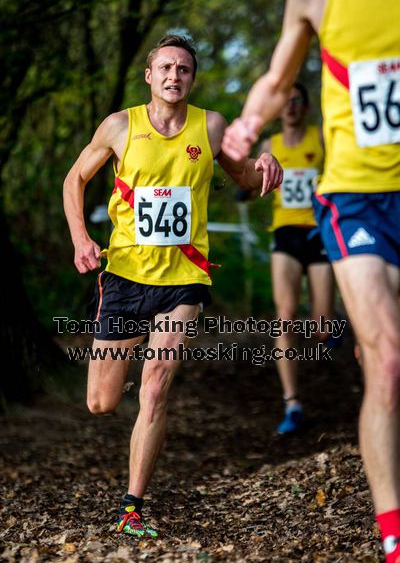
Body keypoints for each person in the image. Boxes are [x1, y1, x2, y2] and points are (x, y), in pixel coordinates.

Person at [63, 34, 282, 538]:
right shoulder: (121, 126)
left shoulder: (211, 126)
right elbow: (75, 178)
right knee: (101, 402)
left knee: (157, 381)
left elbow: (245, 177)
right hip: (124, 277)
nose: (173, 76)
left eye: (183, 69)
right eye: (165, 67)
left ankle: (132, 507)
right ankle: (132, 368)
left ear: (192, 78)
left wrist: (266, 165)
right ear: (149, 75)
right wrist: (81, 238)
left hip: (184, 279)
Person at [222, 0, 400, 561]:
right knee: (385, 357)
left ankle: (334, 345)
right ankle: (393, 533)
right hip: (351, 203)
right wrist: (249, 125)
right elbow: (277, 78)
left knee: (352, 334)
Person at [257, 82, 335, 435]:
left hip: (320, 233)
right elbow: (248, 182)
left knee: (321, 329)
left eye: (297, 101)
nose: (290, 107)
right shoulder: (268, 146)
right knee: (285, 316)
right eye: (285, 102)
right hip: (285, 234)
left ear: (305, 107)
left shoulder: (321, 138)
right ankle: (292, 402)